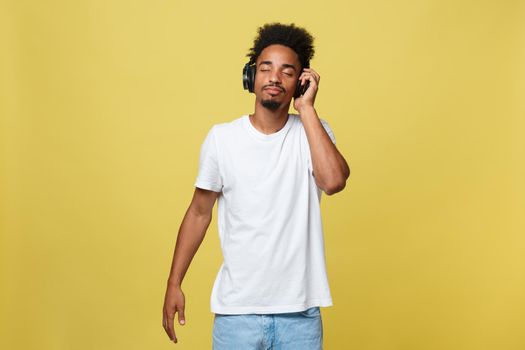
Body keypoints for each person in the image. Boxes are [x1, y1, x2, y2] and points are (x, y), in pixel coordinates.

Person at [162, 22, 350, 349]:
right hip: (237, 315)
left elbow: (333, 182)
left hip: (300, 314)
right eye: (266, 68)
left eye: (287, 71)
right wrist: (174, 282)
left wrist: (306, 108)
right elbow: (198, 213)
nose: (275, 77)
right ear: (251, 77)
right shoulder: (222, 139)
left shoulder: (314, 133)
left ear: (301, 81)